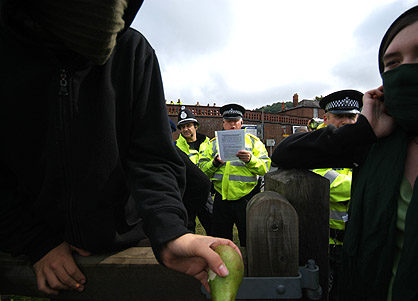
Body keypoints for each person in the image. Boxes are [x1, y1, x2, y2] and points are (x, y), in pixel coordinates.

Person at [0, 0, 239, 296]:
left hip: (131, 239)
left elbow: (152, 157)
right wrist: (36, 240)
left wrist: (169, 230)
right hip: (52, 251)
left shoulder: (133, 51)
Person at [272, 2, 418, 300]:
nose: (406, 71)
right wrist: (363, 131)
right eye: (392, 63)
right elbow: (285, 153)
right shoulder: (380, 144)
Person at [312, 89, 363, 300]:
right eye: (339, 116)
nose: (346, 122)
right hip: (324, 240)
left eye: (351, 116)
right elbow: (324, 182)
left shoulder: (368, 146)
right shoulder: (314, 147)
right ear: (326, 119)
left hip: (358, 241)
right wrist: (361, 186)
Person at [199, 104, 271, 247]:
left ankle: (250, 267)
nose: (232, 125)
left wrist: (250, 160)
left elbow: (265, 168)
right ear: (223, 123)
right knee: (221, 241)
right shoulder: (212, 144)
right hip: (221, 198)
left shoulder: (254, 142)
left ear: (241, 122)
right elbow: (202, 171)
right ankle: (224, 268)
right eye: (229, 121)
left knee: (249, 239)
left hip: (246, 198)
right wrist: (214, 163)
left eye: (236, 121)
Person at [171, 114, 213, 234]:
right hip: (187, 194)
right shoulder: (176, 147)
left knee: (212, 223)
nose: (185, 129)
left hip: (206, 193)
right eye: (182, 127)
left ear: (196, 126)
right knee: (188, 226)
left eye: (188, 126)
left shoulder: (209, 144)